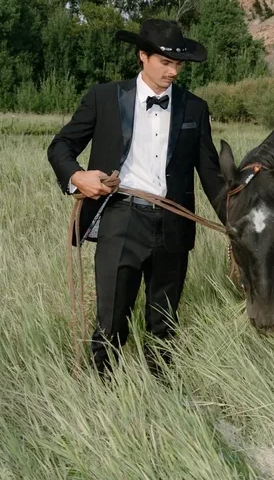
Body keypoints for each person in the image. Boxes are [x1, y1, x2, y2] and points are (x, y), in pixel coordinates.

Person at [47, 19, 224, 378]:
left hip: (174, 226)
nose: (173, 72)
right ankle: (103, 396)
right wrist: (77, 176)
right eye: (165, 62)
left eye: (179, 64)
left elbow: (211, 175)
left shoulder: (195, 108)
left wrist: (236, 220)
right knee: (111, 321)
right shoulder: (104, 98)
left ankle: (162, 398)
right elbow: (61, 146)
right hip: (121, 219)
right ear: (142, 56)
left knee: (164, 324)